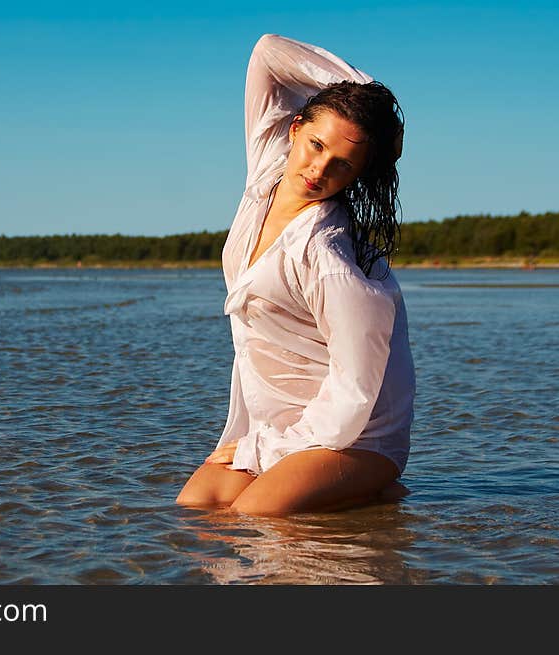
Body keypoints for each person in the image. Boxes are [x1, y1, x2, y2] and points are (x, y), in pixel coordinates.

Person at [176, 33, 415, 516]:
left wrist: (262, 454)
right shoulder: (266, 171)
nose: (318, 167)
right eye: (315, 144)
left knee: (256, 515)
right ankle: (362, 502)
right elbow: (268, 54)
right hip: (276, 422)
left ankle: (369, 485)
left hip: (355, 433)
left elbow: (355, 390)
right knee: (196, 513)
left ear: (355, 175)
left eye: (342, 164)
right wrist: (369, 99)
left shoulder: (329, 256)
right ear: (294, 128)